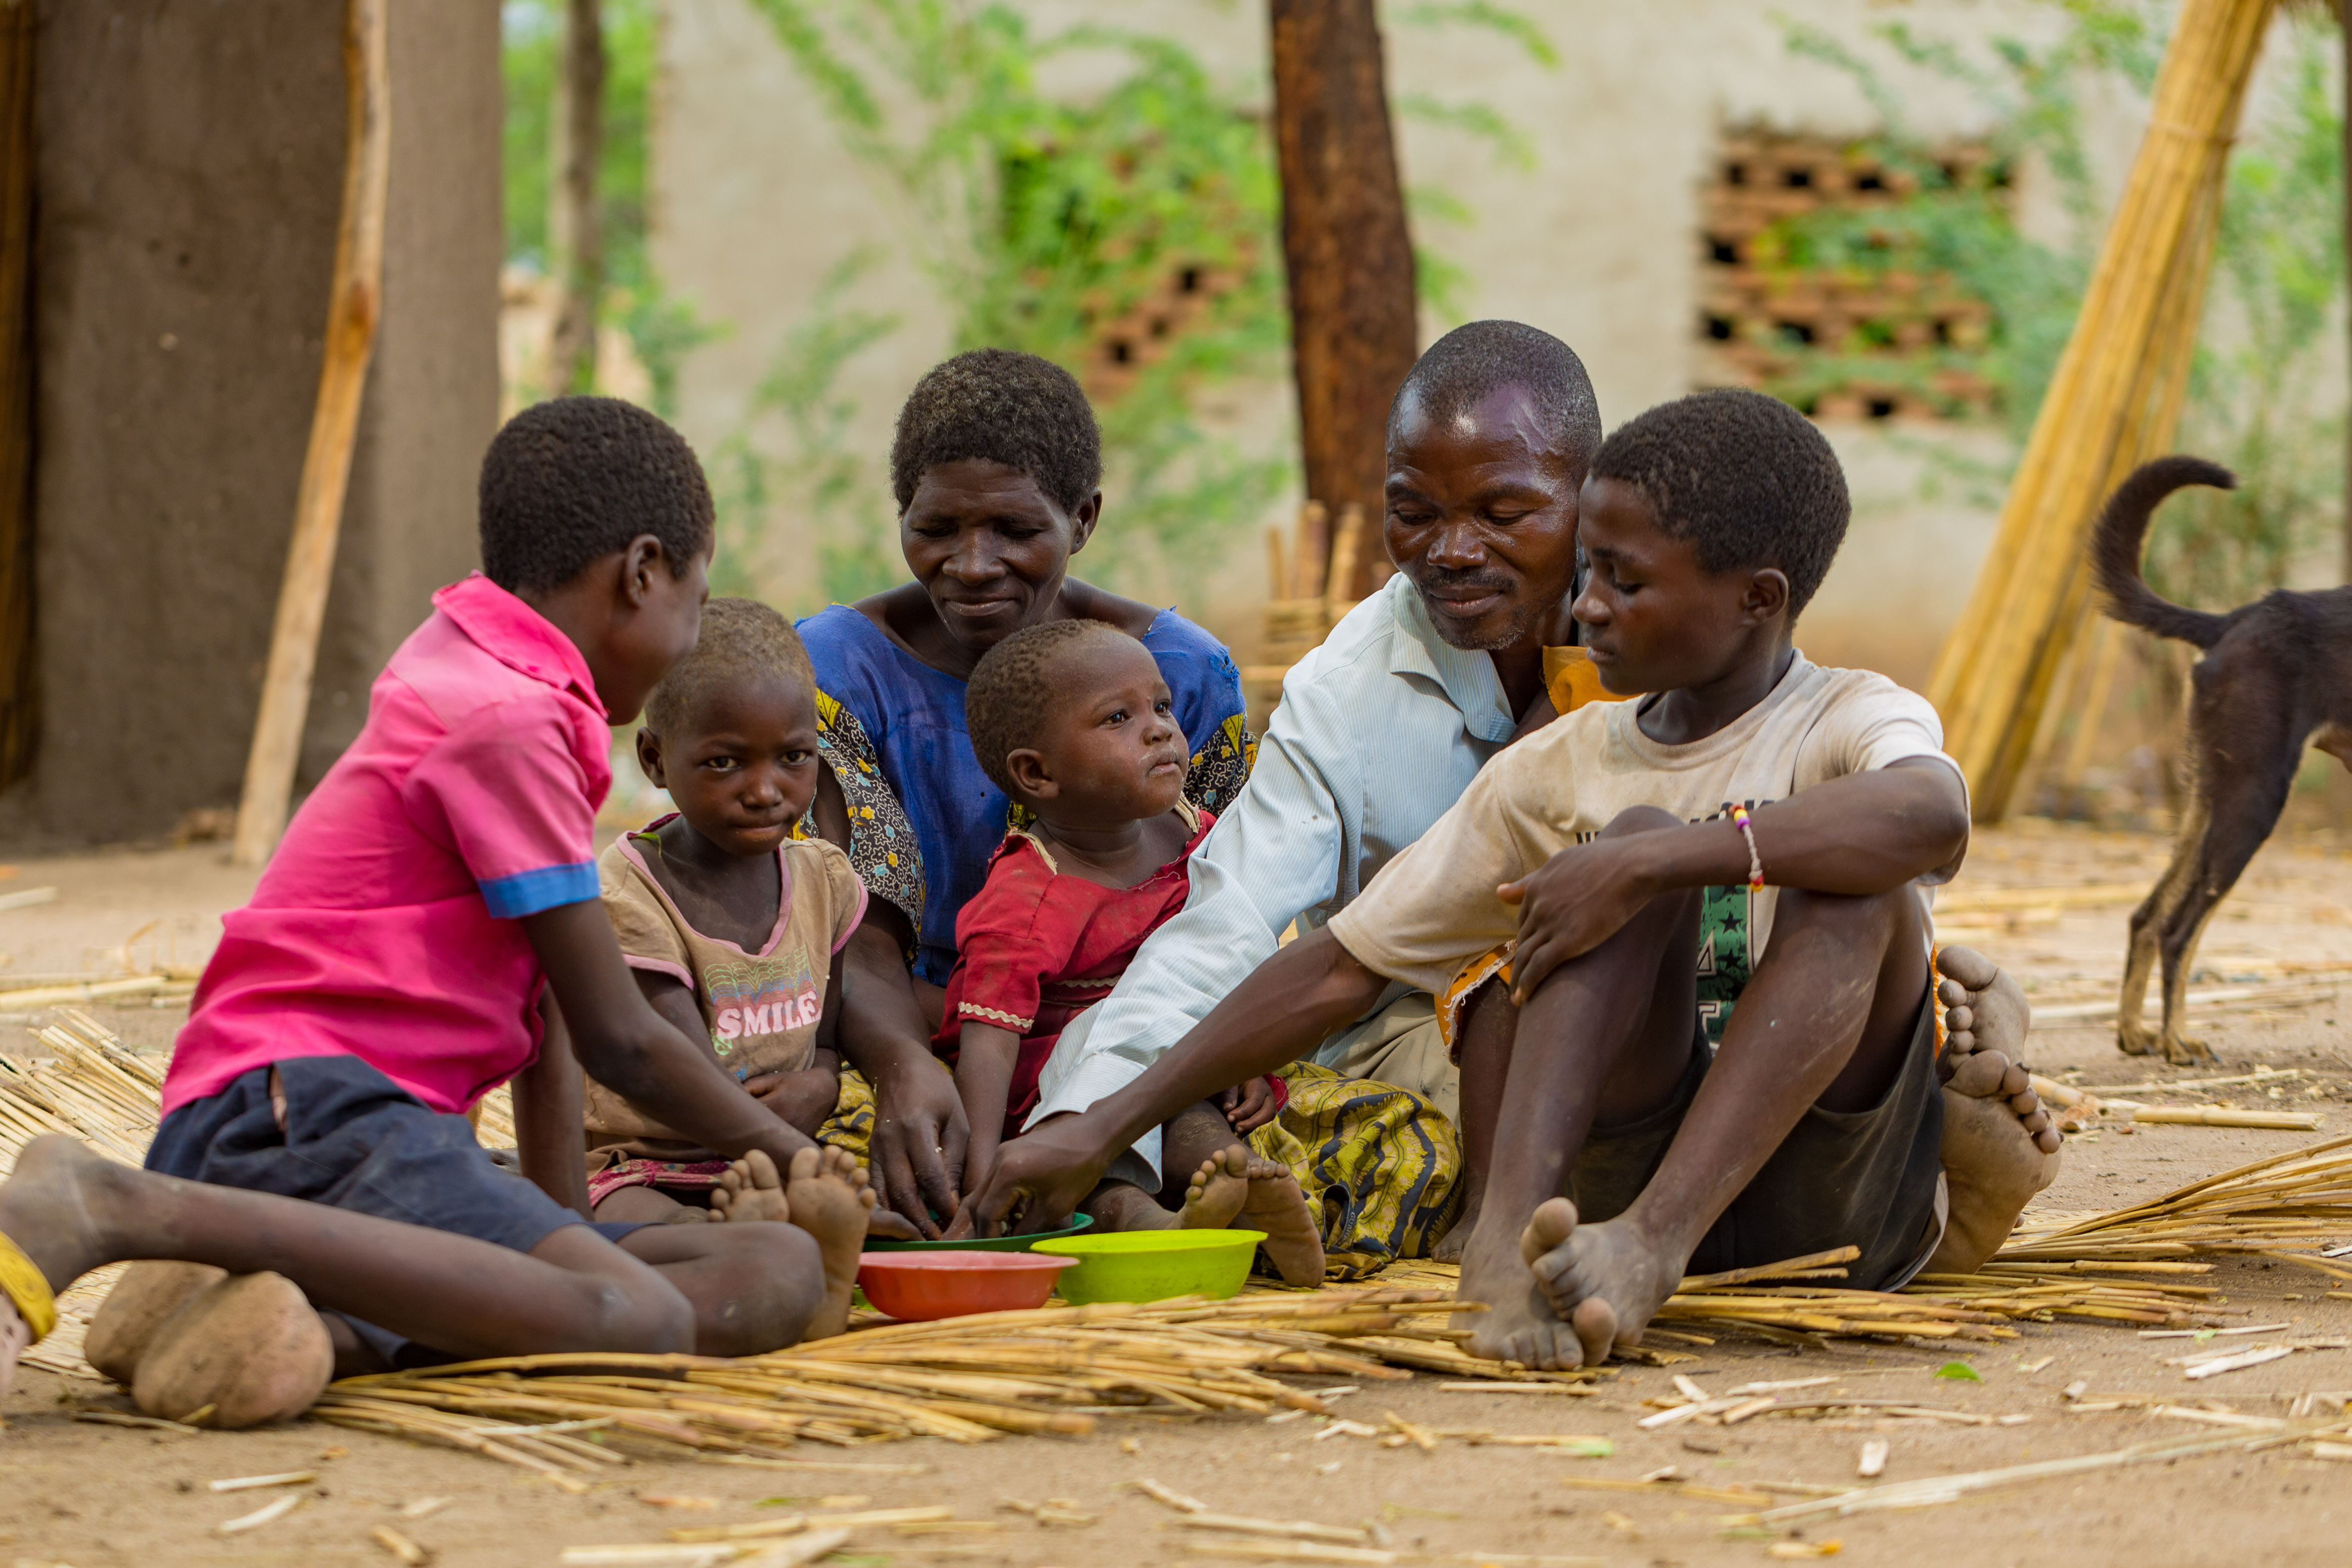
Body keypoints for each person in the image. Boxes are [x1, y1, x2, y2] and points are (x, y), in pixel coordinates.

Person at [965, 389, 2064, 1370]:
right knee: (1608, 841)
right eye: (1589, 572)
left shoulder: (1852, 716)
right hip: (1601, 1195)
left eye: (1625, 582)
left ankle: (1662, 1245)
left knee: (1846, 875)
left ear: (1756, 597)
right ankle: (1500, 1242)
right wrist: (1107, 1123)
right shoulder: (1557, 768)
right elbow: (1342, 967)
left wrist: (1654, 857)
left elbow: (1930, 811)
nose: (1584, 609)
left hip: (1822, 1207)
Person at [0, 398, 891, 1423]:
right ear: (642, 571)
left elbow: (552, 1022)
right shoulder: (511, 715)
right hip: (306, 1112)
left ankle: (280, 1302)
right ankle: (120, 1206)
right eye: (693, 601)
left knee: (770, 1269)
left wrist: (551, 1228)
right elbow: (622, 1038)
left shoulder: (492, 667)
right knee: (634, 1318)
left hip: (368, 1131)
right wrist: (791, 1150)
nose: (688, 633)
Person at [799, 347, 1250, 1233]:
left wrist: (1193, 1061)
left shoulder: (1182, 676)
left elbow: (1225, 907)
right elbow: (851, 926)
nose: (972, 565)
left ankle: (1127, 1186)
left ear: (1082, 519)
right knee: (850, 1154)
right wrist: (901, 1067)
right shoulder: (837, 674)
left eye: (1014, 529)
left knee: (1356, 1142)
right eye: (937, 528)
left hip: (1145, 1043)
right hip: (918, 1032)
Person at [936, 619, 1323, 1283]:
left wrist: (1244, 1056)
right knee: (1103, 1136)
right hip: (1061, 1097)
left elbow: (1228, 964)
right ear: (1038, 773)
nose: (1160, 730)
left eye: (1163, 707)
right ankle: (1165, 1218)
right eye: (1118, 717)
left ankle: (1244, 1189)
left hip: (1187, 1073)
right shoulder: (1028, 896)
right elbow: (989, 1042)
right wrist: (981, 1183)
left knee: (1203, 1120)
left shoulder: (1198, 838)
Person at [581, 599, 874, 1226]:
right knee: (644, 1224)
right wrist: (800, 1159)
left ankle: (776, 1245)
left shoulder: (823, 880)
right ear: (656, 761)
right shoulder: (631, 894)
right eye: (725, 763)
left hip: (778, 1163)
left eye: (793, 757)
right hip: (645, 1163)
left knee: (856, 1196)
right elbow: (676, 1077)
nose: (766, 790)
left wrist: (822, 1084)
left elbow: (825, 1039)